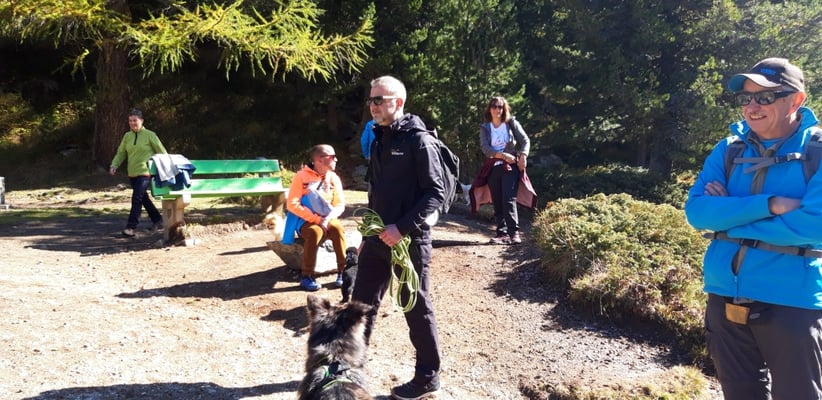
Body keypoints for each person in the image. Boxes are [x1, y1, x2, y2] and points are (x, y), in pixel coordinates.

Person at [685, 58, 822, 400]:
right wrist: (770, 204)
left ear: (796, 100)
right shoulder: (729, 149)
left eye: (765, 97)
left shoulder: (817, 152)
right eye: (745, 98)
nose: (752, 107)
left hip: (793, 301)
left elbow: (814, 224)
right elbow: (698, 213)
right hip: (723, 294)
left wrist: (728, 218)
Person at [352, 75, 444, 400]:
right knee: (360, 305)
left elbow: (435, 193)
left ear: (399, 102)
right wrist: (368, 234)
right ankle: (350, 368)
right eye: (371, 100)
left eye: (379, 100)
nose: (373, 105)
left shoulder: (419, 141)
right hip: (377, 239)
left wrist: (401, 228)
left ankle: (428, 377)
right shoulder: (379, 138)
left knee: (415, 307)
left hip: (410, 241)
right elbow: (375, 192)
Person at [284, 144, 347, 291]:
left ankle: (344, 271)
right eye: (332, 157)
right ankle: (307, 275)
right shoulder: (301, 176)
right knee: (314, 232)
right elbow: (292, 204)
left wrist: (327, 219)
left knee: (337, 228)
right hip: (305, 220)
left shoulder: (333, 178)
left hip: (328, 217)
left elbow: (340, 204)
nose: (336, 160)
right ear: (319, 160)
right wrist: (317, 220)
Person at [477, 96, 531, 244]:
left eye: (500, 107)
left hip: (510, 167)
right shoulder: (485, 128)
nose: (497, 109)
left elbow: (525, 140)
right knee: (497, 200)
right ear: (489, 109)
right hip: (493, 167)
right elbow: (485, 148)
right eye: (494, 106)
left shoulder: (511, 123)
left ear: (504, 109)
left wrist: (524, 155)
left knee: (508, 199)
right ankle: (501, 233)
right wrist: (502, 155)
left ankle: (514, 233)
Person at [109, 108, 167, 237]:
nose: (132, 123)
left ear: (142, 121)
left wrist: (161, 168)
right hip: (132, 173)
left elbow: (162, 152)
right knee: (143, 198)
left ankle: (131, 227)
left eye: (135, 120)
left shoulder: (150, 135)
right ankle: (158, 220)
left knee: (137, 198)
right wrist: (114, 165)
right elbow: (121, 153)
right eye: (130, 121)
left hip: (146, 172)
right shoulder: (127, 136)